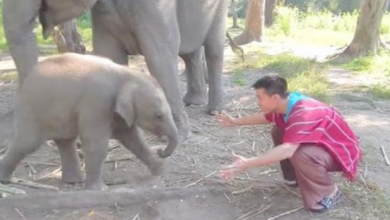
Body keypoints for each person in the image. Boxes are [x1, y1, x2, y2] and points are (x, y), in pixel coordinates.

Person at [216, 75, 362, 213]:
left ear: (275, 98)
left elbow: (287, 150)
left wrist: (247, 163)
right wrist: (235, 122)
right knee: (279, 130)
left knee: (300, 153)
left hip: (340, 153)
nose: (257, 102)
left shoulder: (303, 112)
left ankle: (328, 192)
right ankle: (294, 177)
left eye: (259, 97)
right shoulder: (287, 104)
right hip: (323, 145)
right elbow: (264, 117)